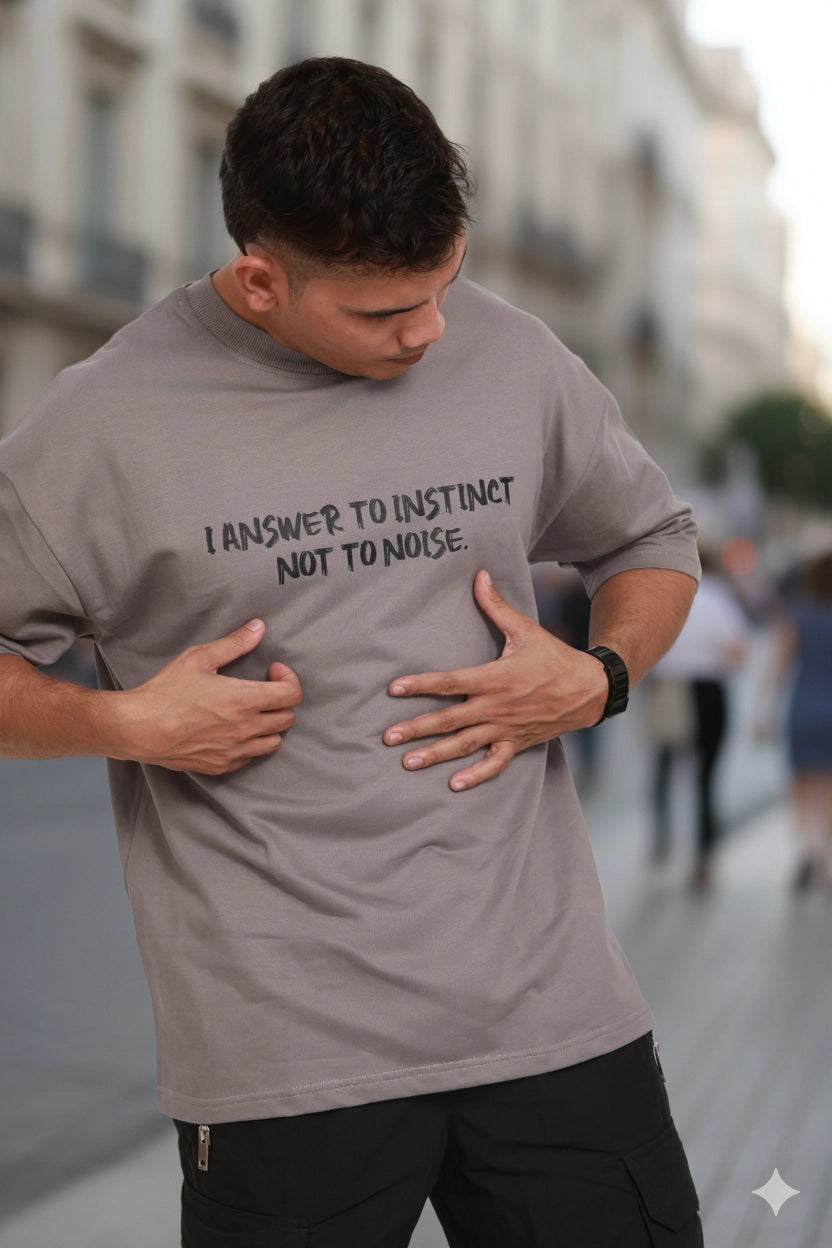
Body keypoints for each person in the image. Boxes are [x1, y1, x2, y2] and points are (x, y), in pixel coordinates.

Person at [0, 58, 703, 1247]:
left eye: (445, 286)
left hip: (553, 1016)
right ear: (260, 278)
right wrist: (118, 723)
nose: (430, 334)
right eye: (383, 312)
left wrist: (598, 676)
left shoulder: (512, 354)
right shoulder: (98, 426)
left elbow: (651, 538)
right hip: (282, 1052)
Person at [645, 548, 750, 890]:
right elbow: (737, 652)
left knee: (662, 763)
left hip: (668, 686)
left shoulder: (662, 594)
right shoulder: (719, 599)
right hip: (707, 689)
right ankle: (703, 855)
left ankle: (661, 834)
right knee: (706, 776)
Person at [757, 551, 832, 892]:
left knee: (801, 786)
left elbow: (777, 668)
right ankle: (827, 857)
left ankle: (807, 849)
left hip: (804, 710)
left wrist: (763, 713)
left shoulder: (798, 614)